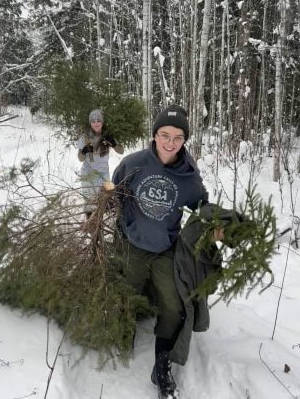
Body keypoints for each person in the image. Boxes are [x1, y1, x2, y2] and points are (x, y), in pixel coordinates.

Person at [112, 104, 211, 399]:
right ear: (154, 135)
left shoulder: (189, 177)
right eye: (164, 135)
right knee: (126, 292)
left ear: (184, 141)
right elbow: (115, 192)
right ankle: (122, 333)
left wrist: (213, 221)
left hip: (165, 249)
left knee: (174, 304)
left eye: (177, 137)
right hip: (132, 243)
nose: (170, 143)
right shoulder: (134, 163)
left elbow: (200, 205)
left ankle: (162, 363)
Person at [78, 109, 124, 219]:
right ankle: (93, 227)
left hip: (104, 173)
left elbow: (121, 151)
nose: (96, 123)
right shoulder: (84, 137)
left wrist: (113, 143)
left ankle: (102, 220)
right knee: (89, 203)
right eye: (93, 121)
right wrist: (84, 151)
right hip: (88, 173)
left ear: (102, 122)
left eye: (98, 120)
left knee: (108, 197)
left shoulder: (107, 135)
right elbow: (80, 158)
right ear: (90, 123)